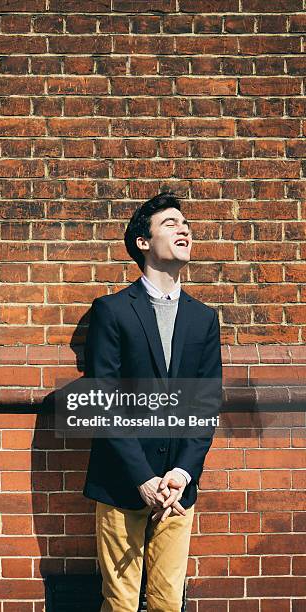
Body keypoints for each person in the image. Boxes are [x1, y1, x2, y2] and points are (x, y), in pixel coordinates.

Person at [82, 192, 223, 612]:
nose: (184, 229)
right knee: (122, 603)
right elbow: (102, 400)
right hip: (121, 480)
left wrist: (182, 471)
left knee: (167, 602)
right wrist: (142, 476)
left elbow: (206, 403)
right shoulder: (111, 310)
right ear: (143, 243)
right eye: (170, 223)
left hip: (178, 488)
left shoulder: (204, 318)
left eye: (186, 224)